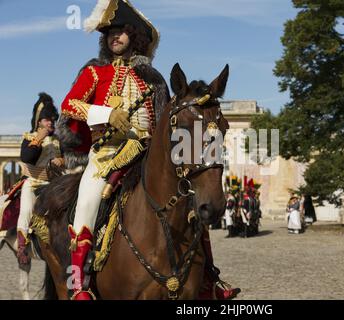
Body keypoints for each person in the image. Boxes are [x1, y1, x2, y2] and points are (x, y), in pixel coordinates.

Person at [60, 0, 239, 300]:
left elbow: (166, 120)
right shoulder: (95, 72)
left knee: (190, 204)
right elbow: (69, 105)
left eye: (121, 32)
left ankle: (210, 278)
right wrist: (105, 115)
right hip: (108, 154)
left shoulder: (153, 79)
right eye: (109, 33)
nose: (114, 37)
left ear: (135, 37)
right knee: (88, 201)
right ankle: (79, 283)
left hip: (147, 153)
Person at [17, 93, 63, 265]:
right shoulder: (29, 138)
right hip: (34, 181)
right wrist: (39, 138)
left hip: (54, 183)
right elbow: (27, 157)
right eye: (46, 119)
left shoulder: (59, 141)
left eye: (52, 119)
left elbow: (70, 157)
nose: (50, 122)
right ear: (38, 121)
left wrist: (62, 160)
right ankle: (22, 247)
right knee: (26, 211)